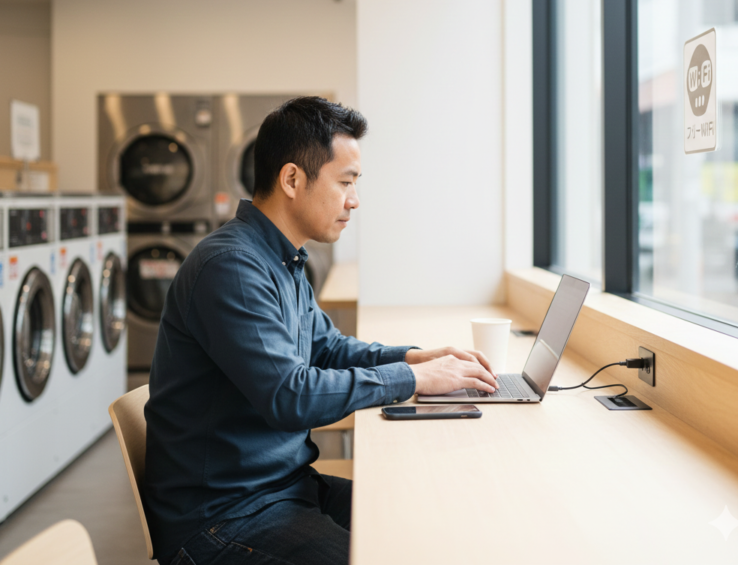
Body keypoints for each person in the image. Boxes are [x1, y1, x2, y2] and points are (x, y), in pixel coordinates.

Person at [144, 96, 498, 565]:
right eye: (345, 182)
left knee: (429, 519)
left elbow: (326, 348)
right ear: (292, 179)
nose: (354, 200)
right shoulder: (230, 267)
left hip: (285, 490)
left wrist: (416, 359)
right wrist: (411, 381)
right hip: (223, 519)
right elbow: (290, 395)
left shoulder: (282, 259)